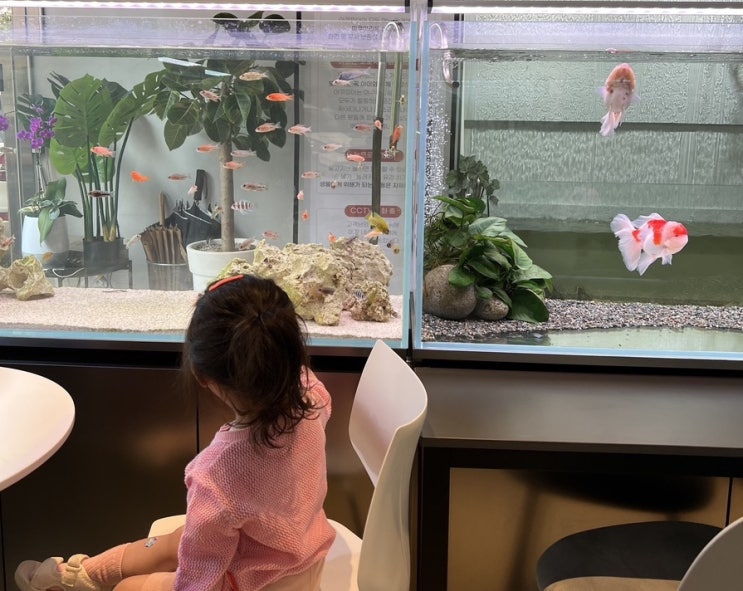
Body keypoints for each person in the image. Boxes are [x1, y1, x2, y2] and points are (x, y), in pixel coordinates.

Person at [16, 274, 336, 591]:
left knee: (127, 588)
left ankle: (79, 582)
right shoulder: (312, 395)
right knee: (175, 542)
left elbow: (197, 583)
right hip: (303, 552)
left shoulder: (215, 478)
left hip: (255, 583)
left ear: (201, 375)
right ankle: (83, 575)